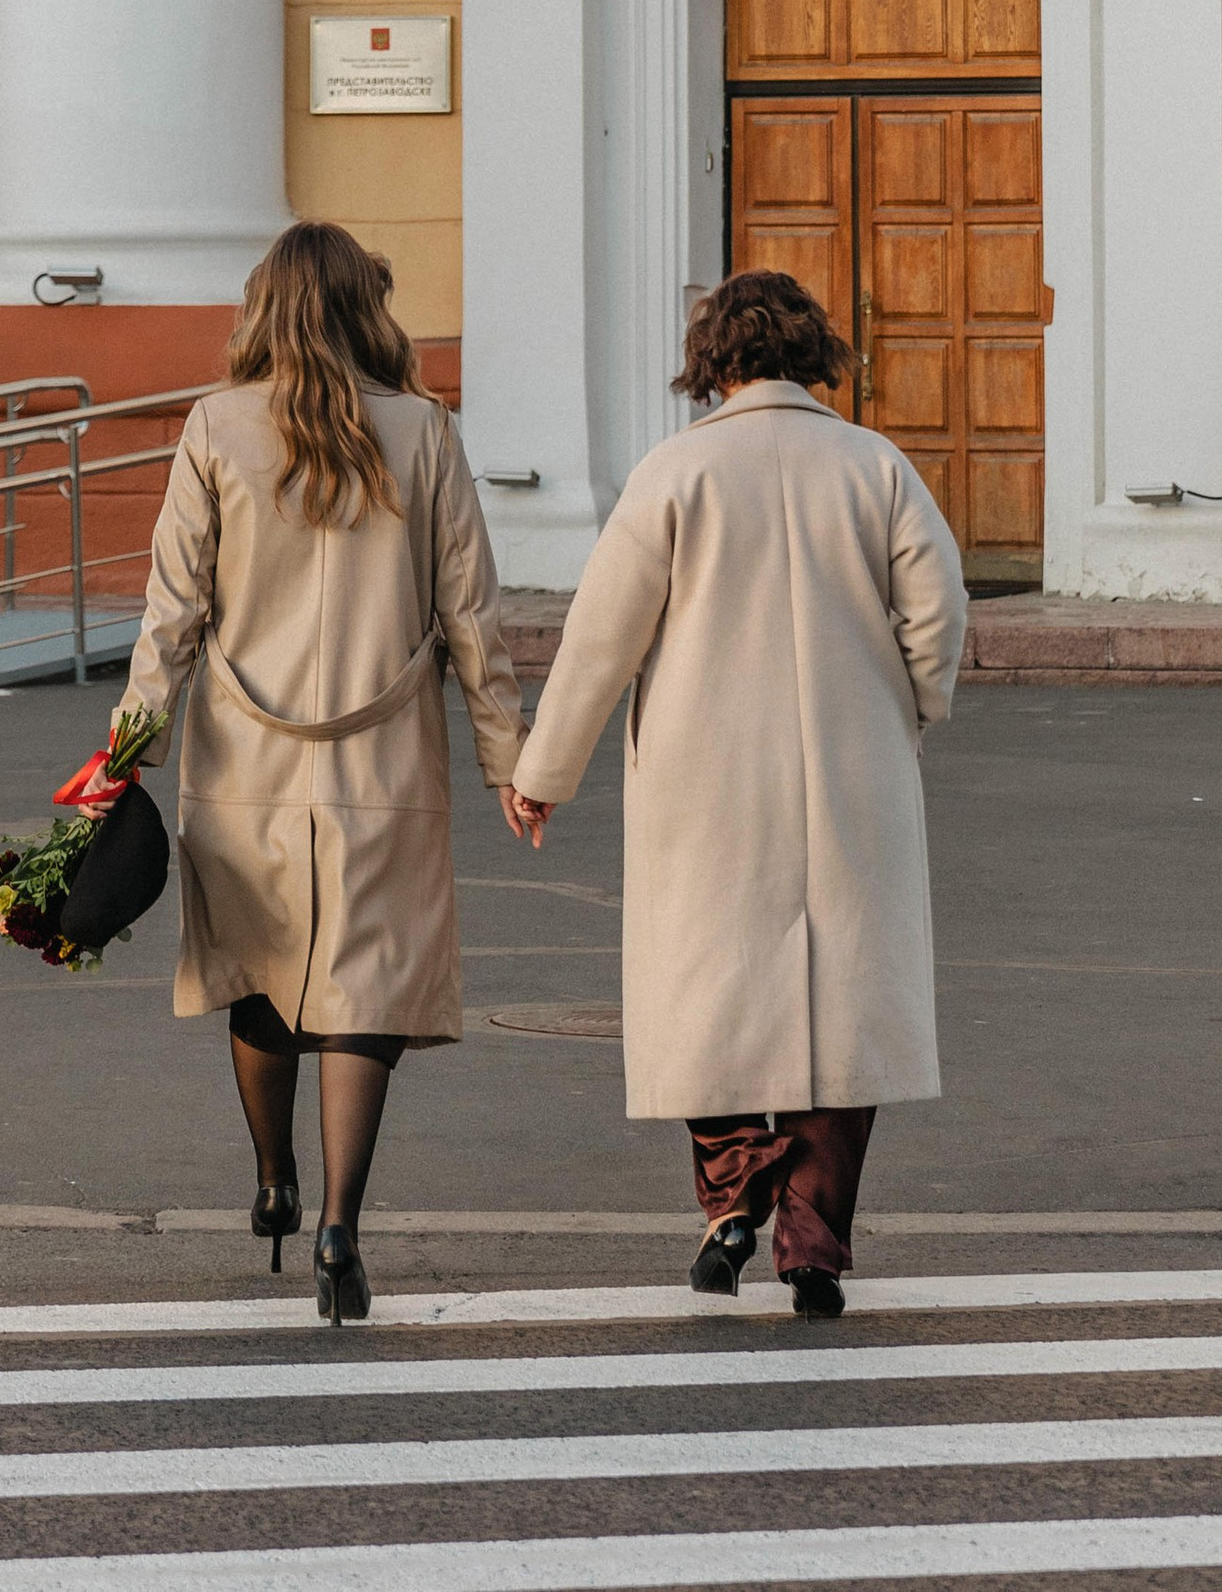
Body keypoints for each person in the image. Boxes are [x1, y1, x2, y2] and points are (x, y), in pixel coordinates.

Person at [503, 266, 967, 1315]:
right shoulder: (877, 466)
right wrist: (911, 707)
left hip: (702, 775)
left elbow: (601, 637)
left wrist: (544, 771)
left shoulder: (675, 472)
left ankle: (731, 1199)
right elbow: (937, 611)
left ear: (713, 359)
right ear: (814, 352)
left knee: (704, 990)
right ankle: (812, 1242)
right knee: (842, 1007)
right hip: (851, 768)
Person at [112, 219, 523, 1323]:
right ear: (364, 308)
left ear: (263, 308)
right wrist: (507, 759)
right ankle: (342, 1221)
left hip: (244, 755)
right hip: (384, 754)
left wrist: (127, 751)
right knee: (364, 983)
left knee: (259, 967)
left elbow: (172, 612)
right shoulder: (424, 431)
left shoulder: (215, 425)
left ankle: (272, 1178)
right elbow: (471, 613)